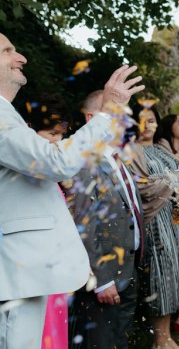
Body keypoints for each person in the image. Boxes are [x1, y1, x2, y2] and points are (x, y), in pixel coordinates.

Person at [0, 32, 143, 349]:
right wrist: (109, 110)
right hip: (16, 270)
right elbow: (56, 161)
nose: (21, 57)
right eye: (8, 50)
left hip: (24, 270)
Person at [67, 91, 143, 349]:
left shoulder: (119, 160)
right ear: (92, 119)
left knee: (119, 340)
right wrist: (103, 280)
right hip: (106, 276)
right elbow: (84, 226)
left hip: (129, 268)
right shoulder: (84, 163)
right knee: (100, 342)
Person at [129, 108, 179, 349]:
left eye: (151, 120)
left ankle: (169, 334)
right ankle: (159, 339)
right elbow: (140, 188)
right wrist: (175, 179)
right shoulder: (131, 151)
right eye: (141, 120)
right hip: (155, 224)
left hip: (175, 222)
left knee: (177, 274)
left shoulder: (161, 148)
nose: (147, 125)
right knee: (160, 277)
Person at [20, 94, 71, 349]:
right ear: (30, 128)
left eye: (61, 135)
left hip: (54, 276)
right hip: (31, 274)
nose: (57, 141)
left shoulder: (49, 174)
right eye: (52, 133)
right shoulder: (23, 170)